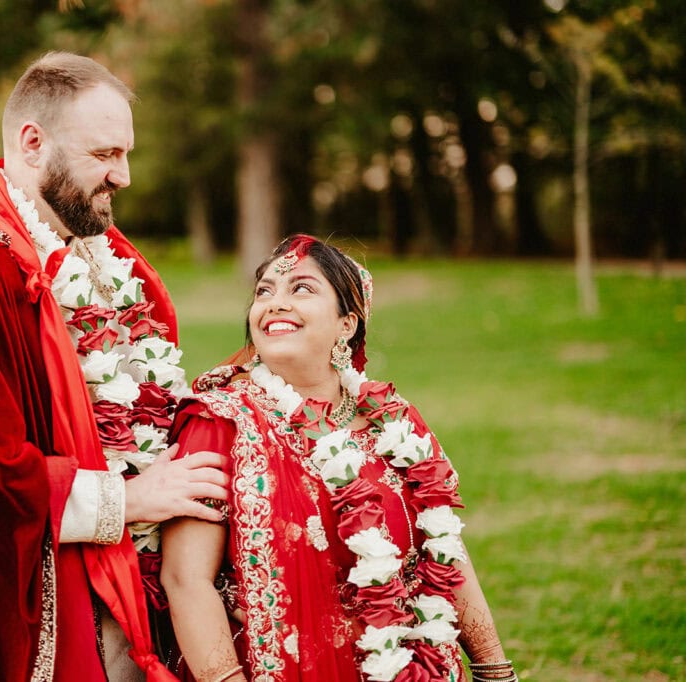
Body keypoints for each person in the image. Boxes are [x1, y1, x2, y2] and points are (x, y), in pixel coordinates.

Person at [0, 52, 229, 682]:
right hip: (50, 619)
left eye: (125, 154)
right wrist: (125, 498)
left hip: (130, 590)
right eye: (104, 155)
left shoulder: (101, 267)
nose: (123, 175)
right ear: (32, 142)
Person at [161, 235, 516, 682]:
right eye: (264, 291)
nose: (274, 303)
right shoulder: (219, 421)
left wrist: (493, 667)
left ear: (347, 324)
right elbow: (184, 578)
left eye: (301, 289)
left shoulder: (395, 421)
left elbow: (446, 551)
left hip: (407, 665)